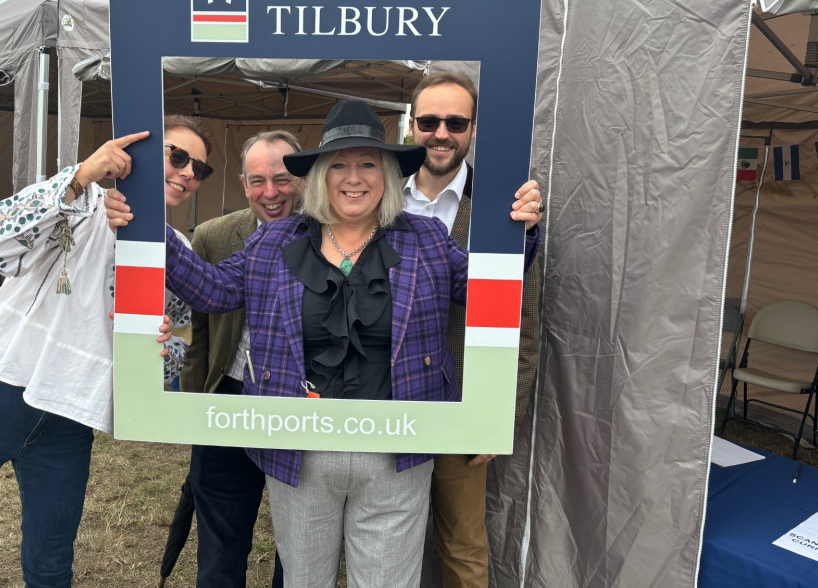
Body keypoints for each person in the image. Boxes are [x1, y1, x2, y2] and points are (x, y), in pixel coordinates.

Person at [134, 99, 538, 588]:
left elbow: (482, 289)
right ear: (319, 177)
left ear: (388, 175)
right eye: (339, 165)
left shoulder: (427, 239)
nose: (354, 177)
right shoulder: (274, 242)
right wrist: (146, 224)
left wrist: (518, 231)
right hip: (298, 453)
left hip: (399, 452)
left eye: (369, 163)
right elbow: (213, 289)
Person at [0, 116, 211, 588]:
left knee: (50, 570)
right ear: (144, 154)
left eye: (201, 169)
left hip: (68, 413)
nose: (189, 171)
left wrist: (163, 342)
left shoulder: (176, 248)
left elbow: (172, 360)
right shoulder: (76, 199)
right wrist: (78, 177)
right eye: (178, 156)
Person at [404, 71, 542, 588]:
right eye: (430, 121)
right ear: (412, 124)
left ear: (474, 129)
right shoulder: (377, 197)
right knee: (389, 539)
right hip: (384, 401)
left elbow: (523, 323)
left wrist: (501, 413)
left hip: (461, 405)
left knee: (462, 548)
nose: (441, 133)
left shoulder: (503, 210)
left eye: (455, 122)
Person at [183, 130, 302, 588]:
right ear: (242, 182)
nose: (269, 193)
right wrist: (193, 408)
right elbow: (198, 334)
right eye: (257, 181)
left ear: (305, 178)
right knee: (220, 542)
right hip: (227, 400)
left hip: (298, 406)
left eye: (282, 178)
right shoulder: (213, 236)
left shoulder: (329, 235)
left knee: (297, 543)